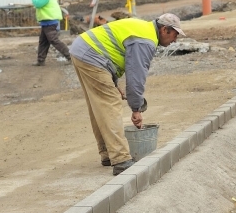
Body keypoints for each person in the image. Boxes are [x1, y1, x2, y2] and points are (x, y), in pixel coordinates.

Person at [69, 14, 184, 175]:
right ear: (165, 29)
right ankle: (121, 159)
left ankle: (108, 153)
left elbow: (112, 50)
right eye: (175, 34)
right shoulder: (145, 41)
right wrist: (136, 109)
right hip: (91, 55)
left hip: (84, 50)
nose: (175, 40)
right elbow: (136, 77)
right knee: (110, 105)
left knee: (99, 105)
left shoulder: (143, 30)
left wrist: (114, 84)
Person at [32, 0, 70, 66]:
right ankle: (40, 60)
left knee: (54, 41)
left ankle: (70, 56)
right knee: (43, 42)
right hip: (47, 22)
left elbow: (37, 4)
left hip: (50, 22)